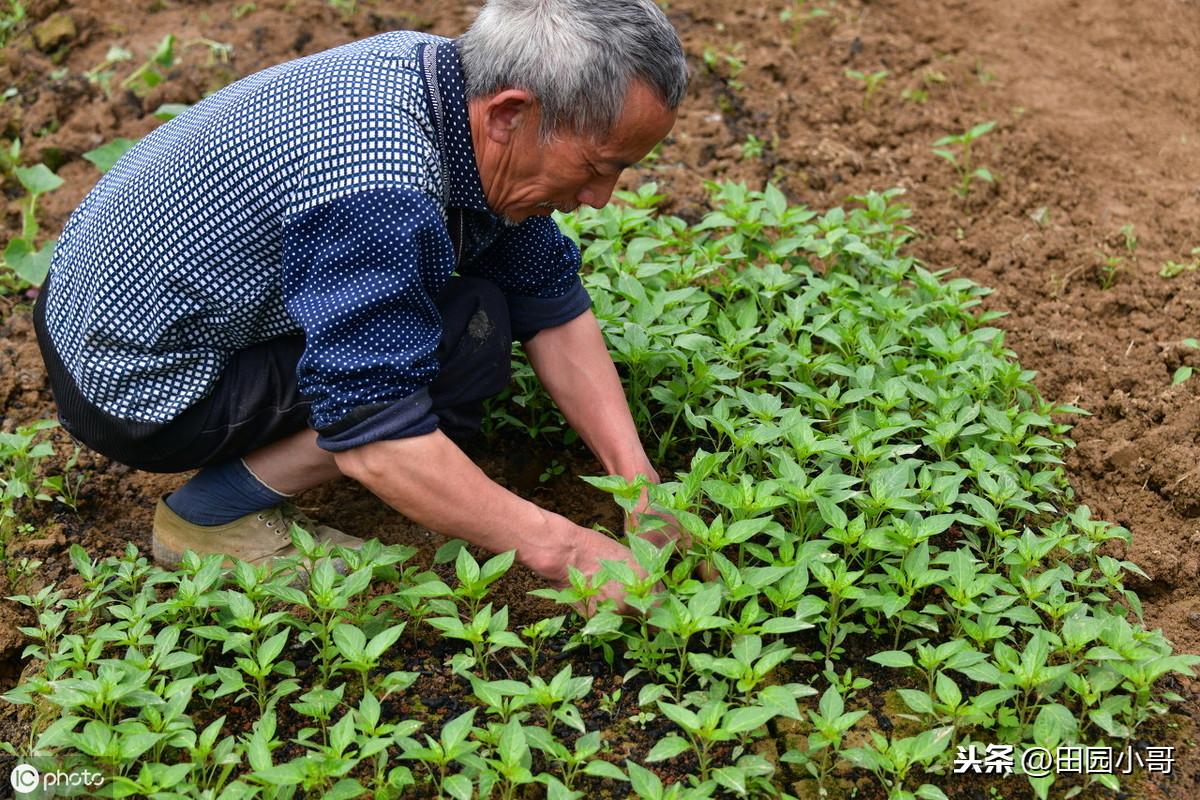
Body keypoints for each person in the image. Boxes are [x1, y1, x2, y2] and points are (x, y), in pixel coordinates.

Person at [32, 0, 690, 609]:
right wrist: (570, 550)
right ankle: (210, 516)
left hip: (104, 314)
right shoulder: (379, 182)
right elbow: (376, 431)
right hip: (138, 385)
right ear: (511, 114)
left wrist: (639, 484)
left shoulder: (444, 83)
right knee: (458, 345)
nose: (601, 198)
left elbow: (545, 290)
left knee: (476, 307)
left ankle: (421, 477)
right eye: (599, 167)